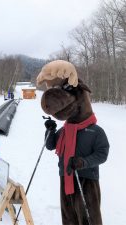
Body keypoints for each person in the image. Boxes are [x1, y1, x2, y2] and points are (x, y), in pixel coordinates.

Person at [37, 60, 109, 225]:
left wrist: (83, 162)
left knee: (89, 220)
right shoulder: (65, 130)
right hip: (66, 179)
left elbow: (102, 154)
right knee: (68, 219)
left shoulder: (95, 131)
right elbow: (50, 145)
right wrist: (49, 130)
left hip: (87, 181)